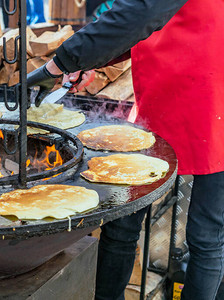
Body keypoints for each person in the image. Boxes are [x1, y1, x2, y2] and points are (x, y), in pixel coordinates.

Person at [27, 0, 224, 299]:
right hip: (164, 95)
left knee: (204, 237)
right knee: (140, 227)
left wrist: (61, 63)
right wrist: (88, 60)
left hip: (210, 96)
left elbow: (141, 11)